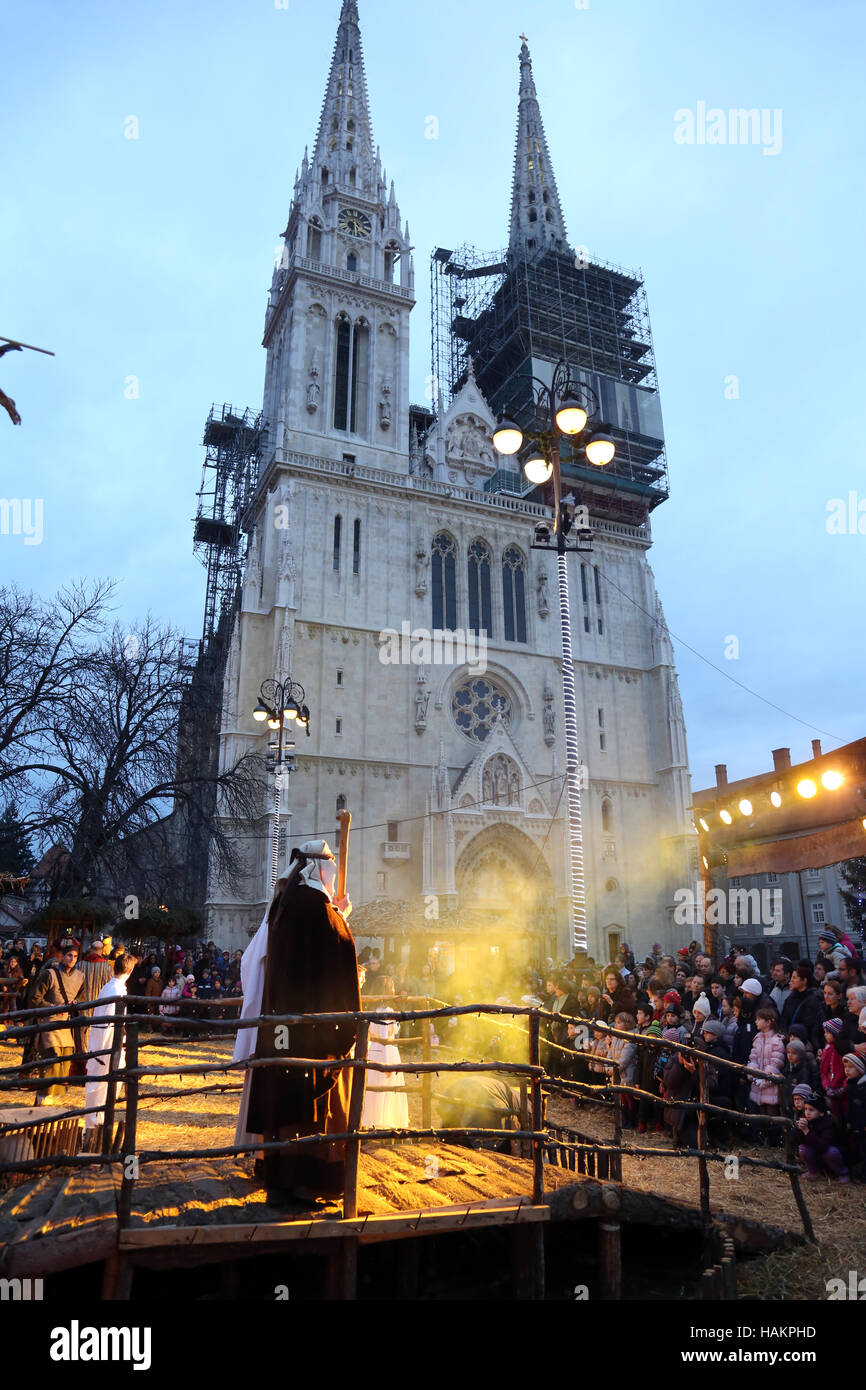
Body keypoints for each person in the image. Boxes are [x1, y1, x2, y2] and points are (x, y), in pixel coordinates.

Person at [242, 840, 360, 1205]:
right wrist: (342, 917)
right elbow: (340, 965)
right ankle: (305, 1183)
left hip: (278, 1026)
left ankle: (279, 1181)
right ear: (323, 871)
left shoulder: (282, 907)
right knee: (305, 1106)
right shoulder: (320, 912)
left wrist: (338, 914)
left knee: (283, 1100)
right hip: (308, 1029)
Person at [83, 952, 137, 1147]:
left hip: (102, 1042)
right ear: (130, 971)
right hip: (107, 1044)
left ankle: (96, 1126)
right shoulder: (116, 990)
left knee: (99, 1085)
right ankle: (94, 1129)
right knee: (102, 1086)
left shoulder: (109, 986)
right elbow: (112, 1022)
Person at [27, 943, 87, 1105]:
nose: (72, 959)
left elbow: (82, 998)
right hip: (48, 1021)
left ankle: (52, 1098)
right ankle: (42, 1098)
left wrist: (75, 1002)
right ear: (63, 956)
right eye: (69, 955)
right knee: (52, 1058)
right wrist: (52, 1007)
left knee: (65, 1059)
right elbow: (34, 998)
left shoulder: (80, 977)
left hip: (65, 1024)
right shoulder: (49, 974)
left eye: (75, 956)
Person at [361, 973, 409, 1131]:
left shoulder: (372, 1009)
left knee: (373, 1091)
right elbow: (384, 1038)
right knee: (384, 1090)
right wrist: (387, 1063)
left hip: (374, 1051)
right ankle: (382, 1122)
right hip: (385, 1051)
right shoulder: (387, 1011)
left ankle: (372, 1120)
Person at [796, 1094, 850, 1182]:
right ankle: (814, 1172)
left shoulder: (828, 1123)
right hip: (818, 1156)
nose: (807, 1112)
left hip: (834, 1156)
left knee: (831, 1152)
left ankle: (842, 1173)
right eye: (805, 1109)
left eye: (811, 1110)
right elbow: (799, 1141)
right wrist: (799, 1130)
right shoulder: (806, 1120)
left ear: (821, 1113)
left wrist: (806, 1131)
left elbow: (822, 1147)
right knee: (803, 1148)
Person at [780, 961, 824, 1051]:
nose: (791, 980)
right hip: (790, 1038)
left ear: (804, 980)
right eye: (791, 977)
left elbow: (809, 1023)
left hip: (805, 1041)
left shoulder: (814, 998)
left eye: (795, 978)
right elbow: (784, 1017)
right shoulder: (791, 997)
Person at [820, 1018, 850, 1124]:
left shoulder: (843, 1050)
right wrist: (827, 1087)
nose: (825, 1035)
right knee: (835, 1120)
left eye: (828, 1032)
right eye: (825, 1032)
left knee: (846, 1119)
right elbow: (823, 1072)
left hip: (844, 1093)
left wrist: (843, 1088)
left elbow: (850, 1072)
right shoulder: (827, 1049)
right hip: (831, 1093)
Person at [842, 1052, 866, 1178]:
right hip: (855, 1124)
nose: (847, 1070)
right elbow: (851, 1106)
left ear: (860, 1068)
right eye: (845, 1067)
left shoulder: (863, 1086)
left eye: (851, 1067)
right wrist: (849, 1121)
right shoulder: (851, 1084)